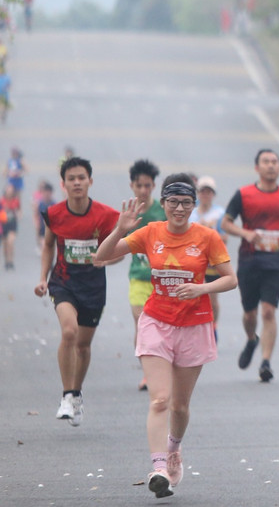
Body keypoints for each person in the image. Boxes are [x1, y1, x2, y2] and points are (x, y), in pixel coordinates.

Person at [93, 173, 236, 498]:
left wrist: (201, 288)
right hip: (156, 322)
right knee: (160, 399)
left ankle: (173, 449)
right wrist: (120, 227)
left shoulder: (207, 237)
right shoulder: (151, 232)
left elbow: (230, 280)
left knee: (180, 406)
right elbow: (102, 256)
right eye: (173, 202)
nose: (180, 208)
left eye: (187, 202)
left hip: (195, 326)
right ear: (164, 203)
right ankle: (158, 469)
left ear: (194, 204)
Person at [34, 156, 120, 427]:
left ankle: (76, 394)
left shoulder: (105, 216)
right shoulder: (54, 214)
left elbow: (121, 249)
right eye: (71, 179)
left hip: (94, 288)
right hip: (63, 282)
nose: (77, 183)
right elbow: (48, 245)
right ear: (63, 184)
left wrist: (107, 259)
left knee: (83, 346)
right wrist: (42, 278)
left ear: (90, 181)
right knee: (69, 332)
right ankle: (66, 395)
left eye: (82, 177)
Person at [222, 149, 279, 383]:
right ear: (257, 168)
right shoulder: (243, 195)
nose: (271, 166)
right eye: (266, 162)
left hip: (275, 262)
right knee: (250, 314)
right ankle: (251, 339)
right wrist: (245, 233)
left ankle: (266, 362)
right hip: (249, 261)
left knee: (268, 311)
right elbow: (226, 223)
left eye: (275, 162)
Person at [125, 160, 165, 391]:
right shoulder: (128, 213)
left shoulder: (163, 211)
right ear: (132, 185)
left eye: (147, 185)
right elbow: (119, 245)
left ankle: (159, 369)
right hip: (138, 278)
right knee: (142, 325)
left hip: (162, 280)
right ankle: (148, 374)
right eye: (139, 185)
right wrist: (101, 259)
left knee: (160, 328)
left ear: (153, 186)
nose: (143, 190)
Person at [194, 176, 228, 336]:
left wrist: (208, 231)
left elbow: (225, 238)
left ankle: (214, 326)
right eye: (203, 191)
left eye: (209, 192)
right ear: (198, 193)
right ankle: (200, 327)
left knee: (213, 299)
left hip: (213, 263)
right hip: (195, 261)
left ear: (213, 194)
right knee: (198, 296)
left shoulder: (220, 213)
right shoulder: (191, 213)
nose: (206, 194)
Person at [0, 184, 22, 270]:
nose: (9, 192)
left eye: (11, 191)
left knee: (11, 242)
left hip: (12, 224)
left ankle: (11, 261)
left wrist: (19, 215)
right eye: (8, 190)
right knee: (5, 244)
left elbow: (19, 210)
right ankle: (6, 261)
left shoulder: (16, 201)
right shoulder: (1, 201)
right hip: (4, 224)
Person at [33, 180, 56, 252]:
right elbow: (36, 215)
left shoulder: (54, 204)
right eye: (45, 192)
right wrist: (37, 224)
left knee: (50, 247)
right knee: (44, 245)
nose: (47, 194)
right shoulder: (39, 204)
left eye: (49, 192)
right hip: (42, 228)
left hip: (52, 229)